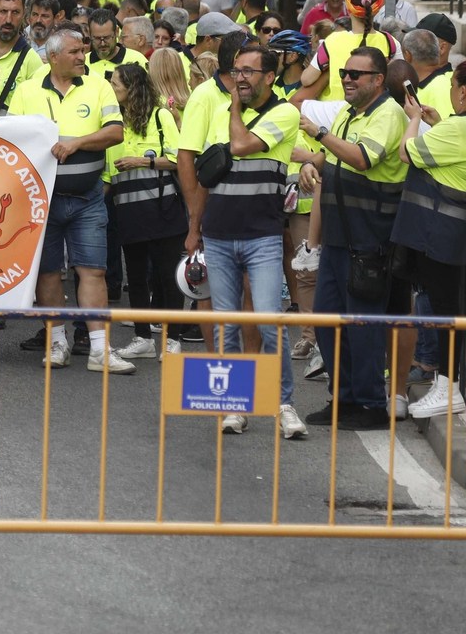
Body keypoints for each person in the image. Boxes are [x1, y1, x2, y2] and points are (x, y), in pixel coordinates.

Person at [191, 42, 304, 436]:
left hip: (263, 238)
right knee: (228, 326)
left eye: (248, 72)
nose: (239, 78)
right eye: (236, 71)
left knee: (270, 324)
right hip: (218, 236)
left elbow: (240, 145)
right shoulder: (220, 111)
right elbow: (207, 174)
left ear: (270, 77)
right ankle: (234, 405)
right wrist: (195, 229)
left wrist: (235, 110)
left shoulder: (285, 112)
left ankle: (283, 403)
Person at [10, 25, 132, 374]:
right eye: (75, 52)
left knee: (92, 271)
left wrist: (76, 143)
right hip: (40, 200)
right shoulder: (27, 90)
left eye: (83, 50)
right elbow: (13, 139)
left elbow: (115, 131)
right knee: (48, 273)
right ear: (53, 57)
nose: (83, 57)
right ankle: (57, 343)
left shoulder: (98, 85)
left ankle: (99, 350)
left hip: (87, 198)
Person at [299, 46, 407, 430]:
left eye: (356, 74)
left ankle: (372, 404)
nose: (346, 78)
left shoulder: (388, 113)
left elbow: (362, 158)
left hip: (370, 237)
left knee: (363, 324)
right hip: (339, 236)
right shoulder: (349, 112)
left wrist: (321, 135)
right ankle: (343, 399)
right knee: (328, 319)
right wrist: (310, 166)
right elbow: (332, 157)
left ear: (378, 80)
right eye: (344, 71)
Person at [395, 61, 466, 419]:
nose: (452, 92)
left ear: (463, 92)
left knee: (445, 313)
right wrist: (436, 124)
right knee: (450, 310)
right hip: (453, 239)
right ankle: (447, 385)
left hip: (442, 236)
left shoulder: (458, 127)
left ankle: (449, 387)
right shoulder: (453, 129)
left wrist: (413, 119)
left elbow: (407, 152)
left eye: (454, 85)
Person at [104, 63, 187, 360]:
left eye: (116, 84)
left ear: (132, 88)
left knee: (168, 274)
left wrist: (142, 162)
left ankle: (173, 338)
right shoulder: (113, 121)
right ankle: (142, 338)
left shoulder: (160, 115)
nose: (112, 89)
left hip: (163, 208)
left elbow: (179, 160)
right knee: (136, 278)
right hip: (128, 211)